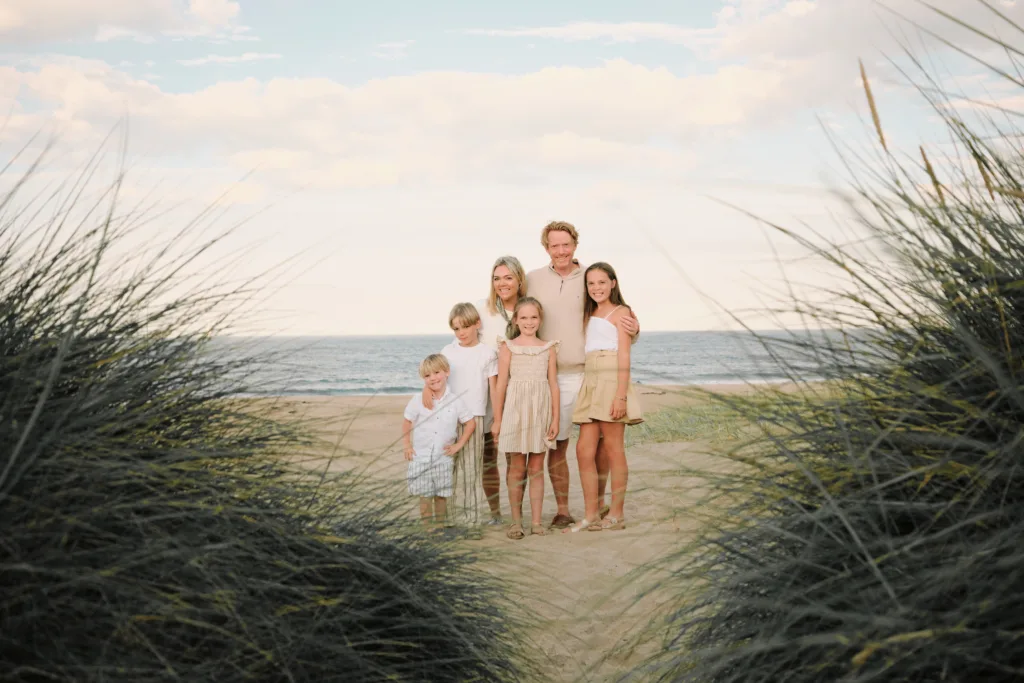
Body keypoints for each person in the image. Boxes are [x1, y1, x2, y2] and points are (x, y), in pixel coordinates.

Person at [526, 221, 639, 529]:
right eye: (554, 245)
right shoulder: (533, 279)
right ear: (546, 248)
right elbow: (515, 309)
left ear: (575, 244)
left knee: (603, 445)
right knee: (561, 445)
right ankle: (564, 510)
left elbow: (615, 317)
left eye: (566, 244)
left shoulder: (591, 276)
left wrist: (635, 326)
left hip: (590, 375)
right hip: (554, 376)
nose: (561, 251)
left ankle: (602, 507)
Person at [564, 263, 643, 533]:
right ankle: (591, 514)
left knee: (613, 448)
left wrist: (620, 396)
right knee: (583, 449)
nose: (596, 288)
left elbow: (624, 354)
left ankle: (617, 513)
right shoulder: (590, 312)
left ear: (613, 283)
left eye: (601, 282)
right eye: (591, 284)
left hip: (611, 377)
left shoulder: (622, 312)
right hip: (591, 377)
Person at [490, 297, 560, 540]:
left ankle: (537, 522)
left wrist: (555, 419)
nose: (529, 322)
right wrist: (497, 420)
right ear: (516, 320)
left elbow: (553, 385)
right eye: (524, 317)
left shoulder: (548, 347)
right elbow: (500, 386)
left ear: (540, 320)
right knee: (516, 468)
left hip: (540, 411)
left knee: (537, 468)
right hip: (515, 411)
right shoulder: (508, 347)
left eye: (534, 317)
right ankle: (516, 522)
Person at [440, 302, 498, 534]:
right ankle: (448, 520)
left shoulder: (487, 353)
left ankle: (472, 521)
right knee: (448, 469)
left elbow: (493, 390)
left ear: (477, 324)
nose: (461, 333)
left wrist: (497, 419)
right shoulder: (447, 352)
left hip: (474, 417)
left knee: (472, 471)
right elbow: (438, 383)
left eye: (465, 326)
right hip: (448, 417)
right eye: (456, 328)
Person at [402, 354, 476, 531]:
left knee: (441, 495)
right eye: (427, 376)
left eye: (436, 372)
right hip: (421, 457)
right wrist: (407, 444)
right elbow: (407, 421)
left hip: (443, 458)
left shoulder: (455, 401)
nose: (433, 378)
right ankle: (429, 529)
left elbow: (470, 423)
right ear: (423, 379)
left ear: (447, 372)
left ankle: (440, 526)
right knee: (425, 496)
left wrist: (459, 445)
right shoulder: (418, 399)